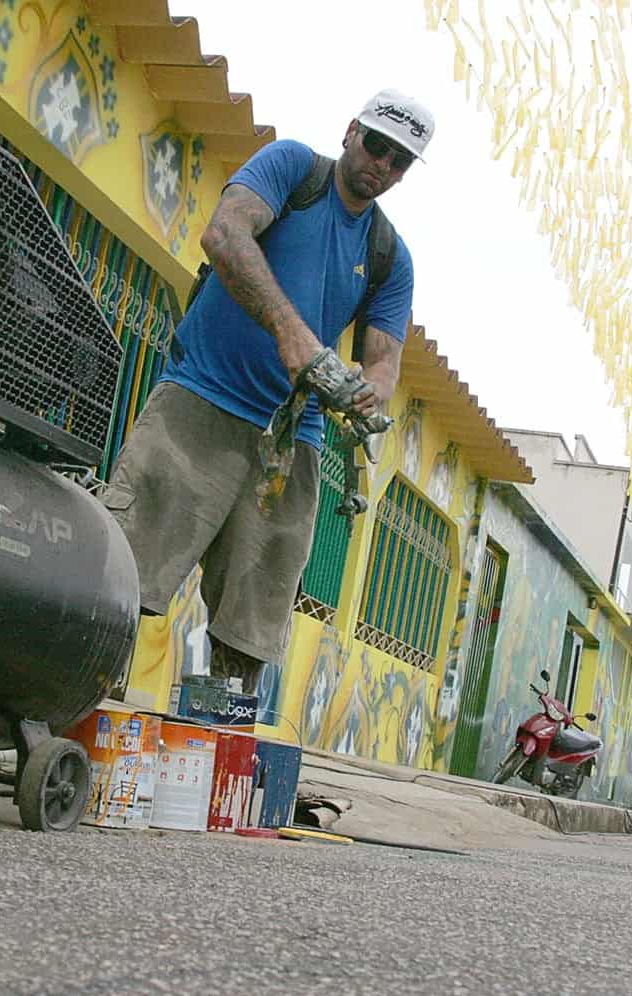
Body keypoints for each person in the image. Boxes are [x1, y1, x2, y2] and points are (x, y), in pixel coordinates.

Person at [103, 88, 433, 694]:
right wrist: (292, 333)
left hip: (290, 441)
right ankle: (80, 726)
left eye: (399, 160)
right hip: (201, 400)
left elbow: (384, 362)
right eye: (377, 145)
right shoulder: (290, 168)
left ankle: (209, 767)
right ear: (350, 131)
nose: (381, 165)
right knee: (123, 583)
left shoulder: (390, 256)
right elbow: (225, 233)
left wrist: (369, 391)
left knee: (248, 632)